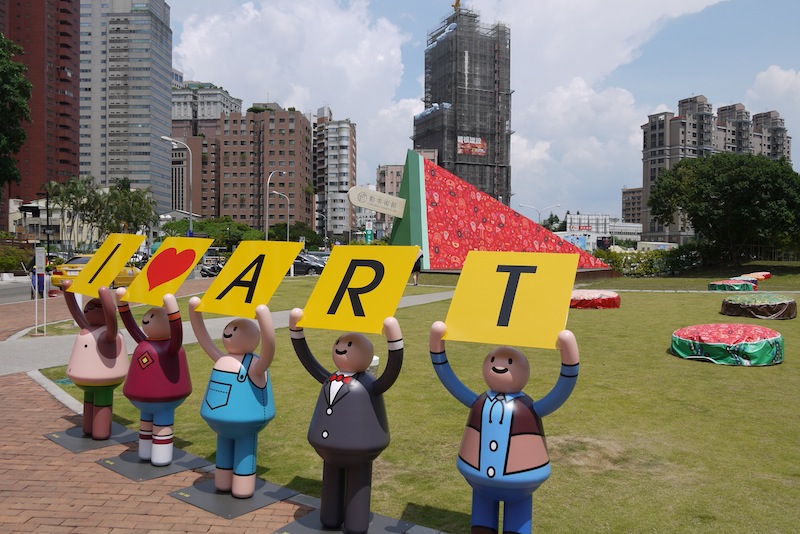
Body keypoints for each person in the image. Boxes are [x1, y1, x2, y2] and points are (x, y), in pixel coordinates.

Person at [429, 322, 580, 534]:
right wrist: (437, 347)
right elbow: (449, 380)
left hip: (520, 478)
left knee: (516, 523)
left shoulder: (525, 408)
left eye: (510, 362)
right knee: (481, 525)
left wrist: (570, 358)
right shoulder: (482, 403)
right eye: (492, 360)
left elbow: (562, 391)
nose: (499, 366)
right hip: (478, 476)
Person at [289, 308, 403, 534]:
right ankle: (330, 516)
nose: (341, 348)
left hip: (360, 446)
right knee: (331, 483)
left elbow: (392, 370)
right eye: (340, 343)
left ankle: (355, 523)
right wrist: (296, 331)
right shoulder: (330, 378)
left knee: (358, 485)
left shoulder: (369, 384)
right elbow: (307, 360)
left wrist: (394, 340)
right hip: (327, 444)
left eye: (350, 346)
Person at [189, 298, 276, 499]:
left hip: (244, 418)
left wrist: (264, 318)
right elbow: (203, 338)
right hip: (219, 417)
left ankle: (242, 483)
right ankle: (224, 479)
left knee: (243, 447)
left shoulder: (254, 365)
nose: (229, 333)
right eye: (229, 329)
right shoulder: (223, 359)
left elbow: (269, 348)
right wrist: (194, 311)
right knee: (224, 446)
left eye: (236, 330)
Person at [116, 290, 192, 466]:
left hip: (166, 394)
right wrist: (122, 305)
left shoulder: (172, 348)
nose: (147, 321)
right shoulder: (145, 344)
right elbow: (130, 325)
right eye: (147, 317)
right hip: (141, 394)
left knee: (160, 423)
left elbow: (177, 331)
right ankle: (146, 451)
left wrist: (172, 310)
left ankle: (159, 454)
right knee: (146, 423)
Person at [63, 280, 129, 440]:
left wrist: (105, 295)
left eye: (96, 307)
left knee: (100, 402)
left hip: (104, 377)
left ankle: (100, 431)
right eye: (89, 307)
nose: (90, 309)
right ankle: (89, 427)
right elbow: (76, 313)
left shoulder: (109, 335)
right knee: (89, 401)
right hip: (84, 376)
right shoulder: (88, 330)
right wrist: (67, 291)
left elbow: (111, 320)